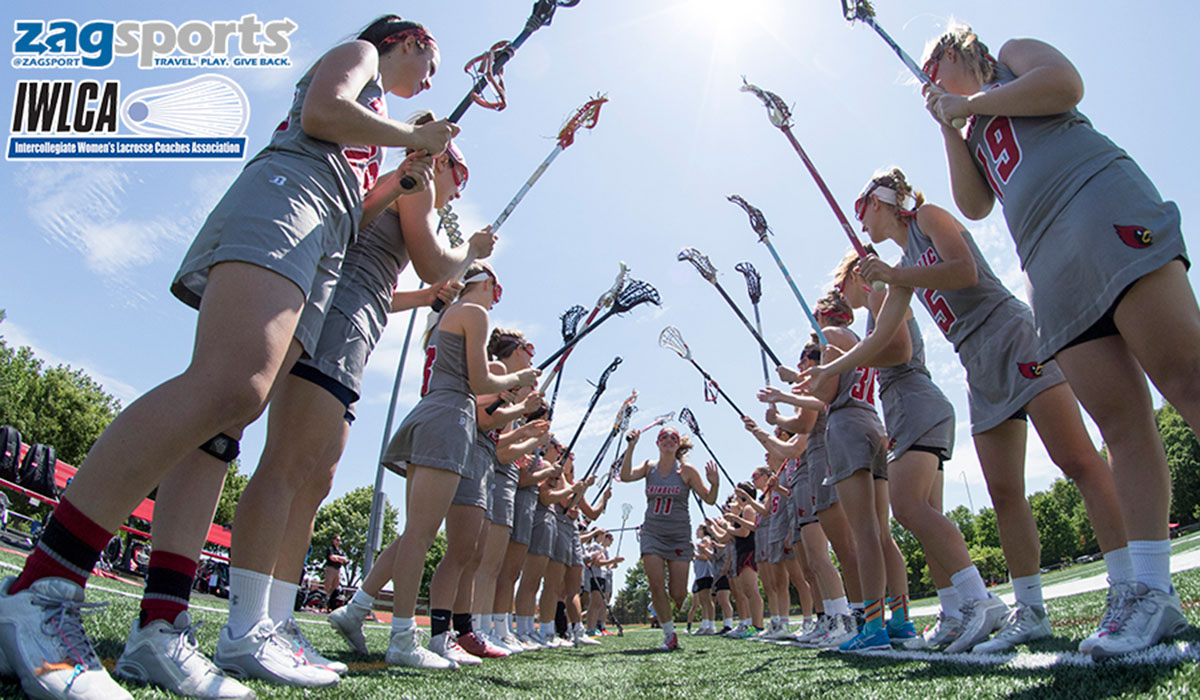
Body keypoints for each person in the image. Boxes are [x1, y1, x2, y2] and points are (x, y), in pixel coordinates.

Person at [0, 14, 458, 699]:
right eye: (431, 62)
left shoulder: (381, 117)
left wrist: (400, 177)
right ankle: (42, 586)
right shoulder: (360, 53)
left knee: (223, 429)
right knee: (230, 386)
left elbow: (361, 209)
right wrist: (412, 139)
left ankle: (160, 626)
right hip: (291, 193)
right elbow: (321, 110)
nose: (431, 79)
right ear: (409, 40)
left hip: (327, 225)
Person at [920, 23, 1196, 657]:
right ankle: (1152, 593)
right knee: (1121, 424)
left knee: (1186, 379)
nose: (929, 77)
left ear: (961, 51)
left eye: (935, 63)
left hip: (1096, 201)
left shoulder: (1010, 60)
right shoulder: (970, 125)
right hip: (1046, 257)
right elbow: (975, 202)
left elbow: (1066, 86)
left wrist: (971, 103)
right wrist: (948, 124)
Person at [205, 113, 488, 685]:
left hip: (357, 316)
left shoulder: (411, 190)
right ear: (445, 164)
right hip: (338, 316)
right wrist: (469, 252)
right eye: (460, 172)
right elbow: (436, 260)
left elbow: (386, 282)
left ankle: (276, 620)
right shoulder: (421, 182)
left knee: (316, 474)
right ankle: (245, 626)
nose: (459, 185)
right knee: (291, 463)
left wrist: (425, 296)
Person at [804, 166, 1132, 654]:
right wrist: (825, 372)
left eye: (861, 208)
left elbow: (965, 271)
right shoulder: (899, 272)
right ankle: (1030, 609)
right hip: (974, 360)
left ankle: (1131, 587)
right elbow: (876, 341)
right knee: (1003, 491)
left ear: (881, 202)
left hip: (1010, 334)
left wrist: (895, 274)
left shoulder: (929, 218)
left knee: (1077, 460)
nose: (861, 221)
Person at [375, 260, 539, 669]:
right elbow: (482, 383)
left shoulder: (448, 316)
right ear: (482, 286)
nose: (495, 298)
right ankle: (403, 638)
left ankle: (390, 625)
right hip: (449, 418)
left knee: (419, 534)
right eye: (495, 289)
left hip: (435, 413)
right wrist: (515, 385)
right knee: (420, 536)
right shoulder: (474, 312)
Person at [778, 292, 907, 652]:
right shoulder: (862, 339)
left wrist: (795, 383)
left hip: (847, 424)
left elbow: (827, 395)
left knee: (861, 533)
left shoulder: (828, 338)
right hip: (873, 421)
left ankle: (870, 626)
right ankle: (900, 620)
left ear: (821, 315)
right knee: (883, 532)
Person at [620, 426, 719, 650]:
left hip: (678, 535)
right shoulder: (649, 467)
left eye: (672, 437)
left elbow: (710, 499)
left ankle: (674, 605)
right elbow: (625, 476)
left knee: (678, 593)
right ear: (657, 443)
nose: (668, 440)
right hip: (652, 533)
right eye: (663, 437)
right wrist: (631, 446)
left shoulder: (687, 471)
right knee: (656, 586)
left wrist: (715, 484)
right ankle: (669, 634)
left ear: (678, 444)